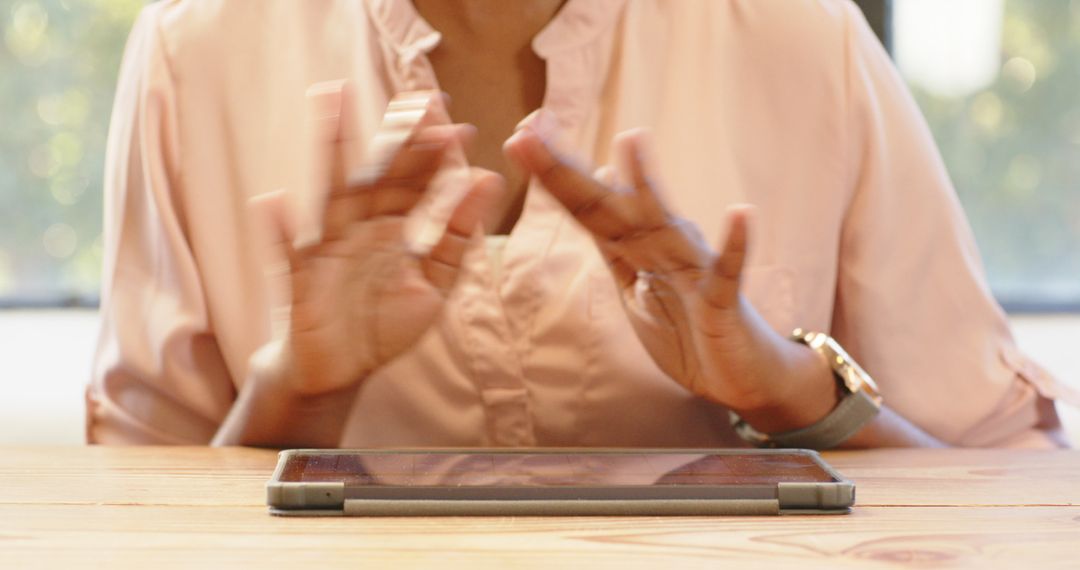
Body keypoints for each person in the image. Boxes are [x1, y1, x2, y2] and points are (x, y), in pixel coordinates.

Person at [87, 0, 1070, 449]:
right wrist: (296, 393)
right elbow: (133, 516)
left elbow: (1000, 479)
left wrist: (785, 389)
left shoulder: (801, 35)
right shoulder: (196, 49)